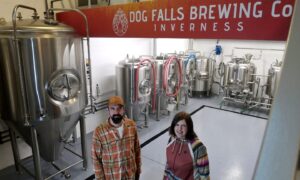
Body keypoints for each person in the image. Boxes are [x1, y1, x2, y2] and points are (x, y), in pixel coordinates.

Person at [91, 96, 141, 180]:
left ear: (123, 109)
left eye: (119, 108)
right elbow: (96, 160)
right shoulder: (99, 132)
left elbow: (137, 149)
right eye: (112, 108)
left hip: (130, 176)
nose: (116, 112)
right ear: (108, 110)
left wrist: (138, 171)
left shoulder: (131, 125)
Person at [164, 111, 210, 180]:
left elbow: (204, 176)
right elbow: (168, 166)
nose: (179, 129)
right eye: (177, 125)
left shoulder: (198, 147)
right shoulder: (172, 139)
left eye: (183, 126)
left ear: (189, 127)